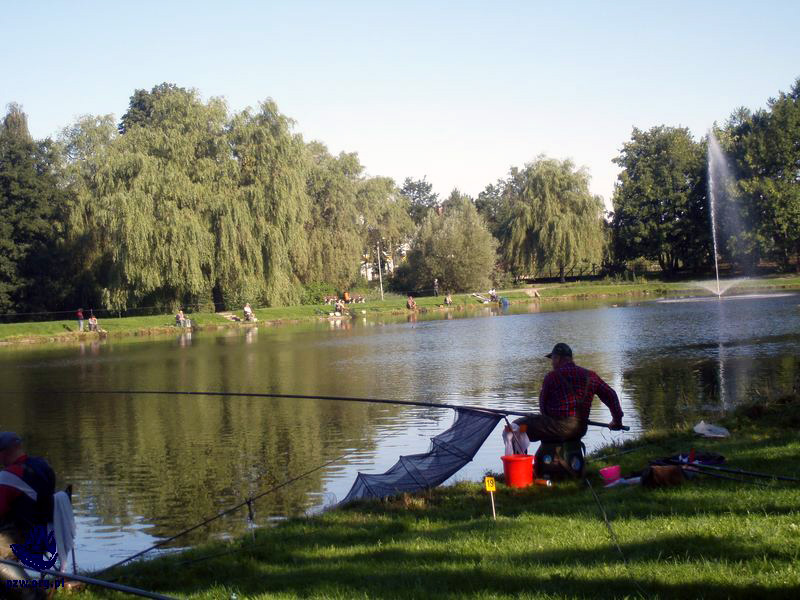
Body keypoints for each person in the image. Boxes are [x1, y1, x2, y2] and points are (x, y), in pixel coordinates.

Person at [513, 343, 624, 442]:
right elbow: (611, 395)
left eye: (552, 359)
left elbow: (543, 407)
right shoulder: (591, 376)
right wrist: (617, 420)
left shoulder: (552, 377)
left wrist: (544, 419)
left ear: (557, 358)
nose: (552, 363)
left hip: (556, 428)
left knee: (514, 427)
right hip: (580, 428)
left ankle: (519, 462)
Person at [0, 432, 56, 599]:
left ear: (3, 453)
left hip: (23, 536)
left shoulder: (9, 476)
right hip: (47, 531)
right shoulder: (43, 466)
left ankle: (31, 594)